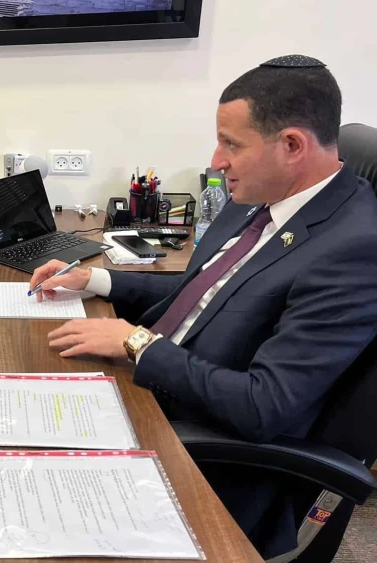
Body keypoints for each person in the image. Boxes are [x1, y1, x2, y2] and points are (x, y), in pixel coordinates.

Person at [29, 55, 377, 557]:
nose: (217, 160)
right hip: (155, 394)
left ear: (293, 146)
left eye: (232, 144)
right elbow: (203, 293)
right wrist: (96, 279)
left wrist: (135, 343)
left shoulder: (352, 250)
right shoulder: (263, 197)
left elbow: (263, 405)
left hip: (209, 459)